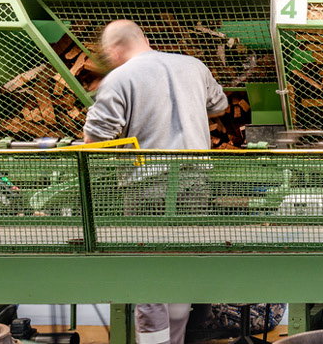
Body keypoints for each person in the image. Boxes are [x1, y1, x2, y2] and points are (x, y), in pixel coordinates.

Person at [81, 20, 227, 344]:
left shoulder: (119, 78)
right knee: (181, 265)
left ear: (113, 51)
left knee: (147, 273)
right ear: (144, 38)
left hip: (145, 189)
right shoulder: (194, 66)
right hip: (195, 185)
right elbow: (220, 105)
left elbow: (96, 138)